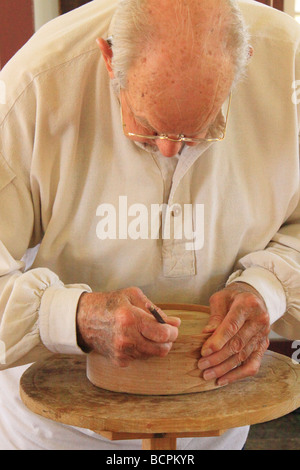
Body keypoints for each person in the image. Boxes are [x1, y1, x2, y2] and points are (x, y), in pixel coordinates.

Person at [0, 0, 299, 450]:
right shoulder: (34, 87)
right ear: (108, 56)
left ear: (245, 66)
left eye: (197, 132)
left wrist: (267, 288)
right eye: (146, 125)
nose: (167, 151)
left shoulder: (290, 70)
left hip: (216, 416)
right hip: (59, 426)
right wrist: (70, 317)